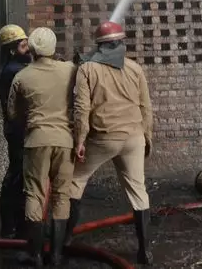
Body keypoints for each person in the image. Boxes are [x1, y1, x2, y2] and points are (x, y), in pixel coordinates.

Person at [66, 21, 155, 265]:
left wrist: (79, 141)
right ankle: (145, 251)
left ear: (100, 45)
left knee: (75, 180)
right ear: (121, 42)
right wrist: (147, 136)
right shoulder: (135, 68)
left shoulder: (87, 69)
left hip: (104, 137)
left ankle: (64, 242)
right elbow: (146, 106)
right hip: (134, 136)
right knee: (138, 191)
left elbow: (82, 109)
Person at [7, 27, 76, 267]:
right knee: (61, 196)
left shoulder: (22, 77)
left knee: (35, 194)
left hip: (36, 141)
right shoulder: (70, 70)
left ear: (33, 50)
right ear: (54, 48)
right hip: (66, 142)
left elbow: (13, 114)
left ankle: (34, 255)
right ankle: (56, 256)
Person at [0, 24, 32, 239]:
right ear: (11, 49)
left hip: (17, 129)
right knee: (17, 176)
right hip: (18, 130)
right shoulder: (14, 71)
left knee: (19, 176)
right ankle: (12, 228)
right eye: (23, 45)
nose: (27, 48)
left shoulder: (15, 67)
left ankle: (14, 226)